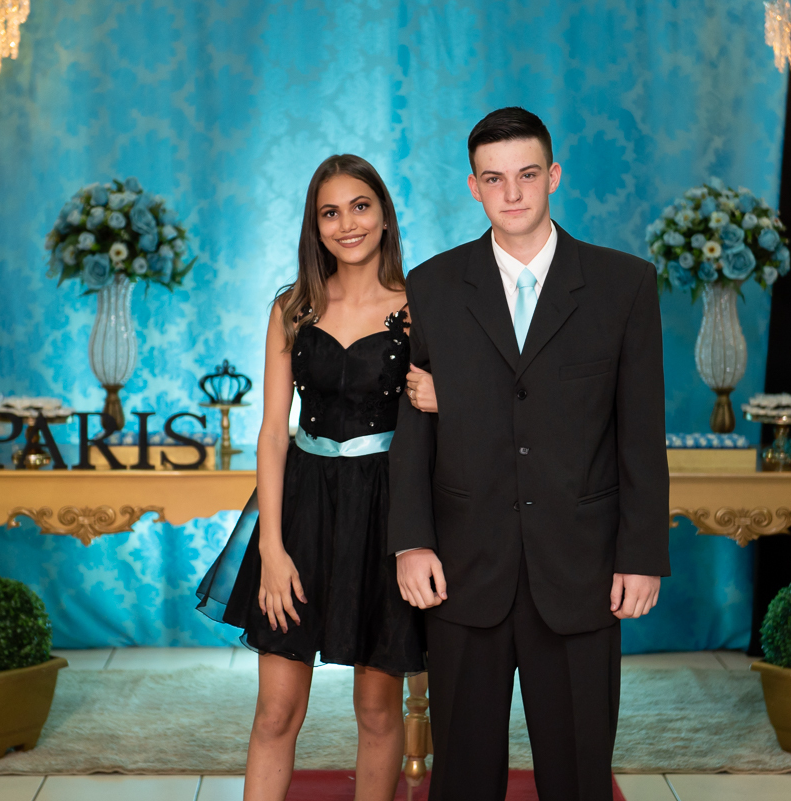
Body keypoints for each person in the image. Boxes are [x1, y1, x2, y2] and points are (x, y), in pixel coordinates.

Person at [388, 107, 670, 801]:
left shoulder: (624, 284)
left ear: (554, 176)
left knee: (578, 775)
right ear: (473, 187)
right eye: (494, 178)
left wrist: (641, 553)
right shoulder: (431, 286)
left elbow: (640, 432)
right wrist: (412, 543)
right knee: (462, 777)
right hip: (463, 567)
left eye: (527, 174)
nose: (511, 193)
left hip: (581, 568)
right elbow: (413, 430)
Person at [196, 154, 424, 801]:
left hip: (384, 511)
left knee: (377, 711)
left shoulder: (417, 310)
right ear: (314, 226)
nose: (347, 223)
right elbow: (273, 433)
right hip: (301, 510)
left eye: (360, 206)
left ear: (384, 215)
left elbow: (445, 418)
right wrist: (271, 549)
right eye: (330, 212)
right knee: (275, 712)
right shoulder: (292, 308)